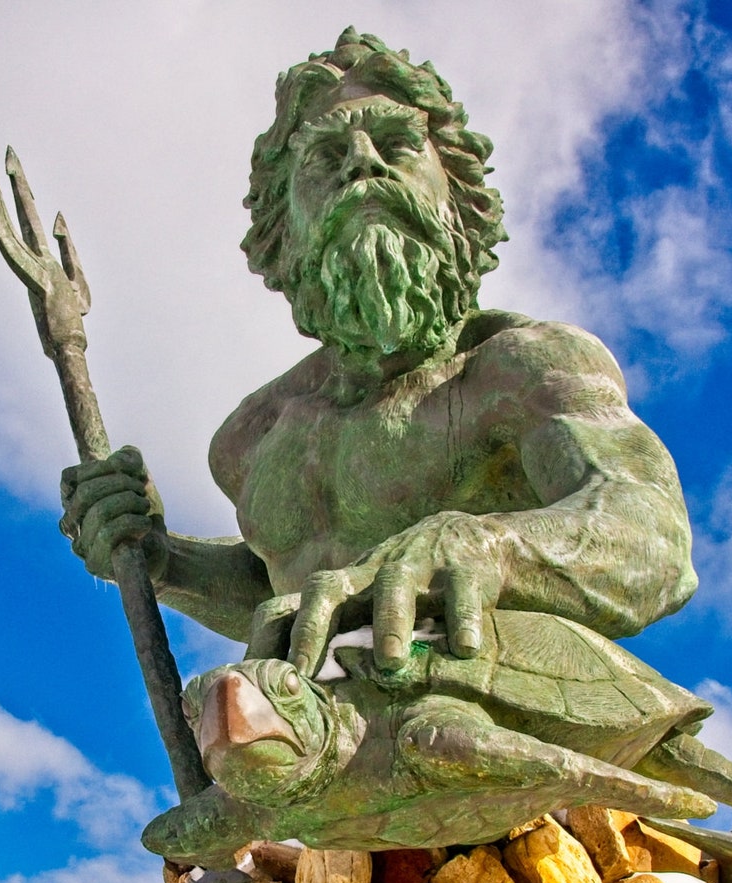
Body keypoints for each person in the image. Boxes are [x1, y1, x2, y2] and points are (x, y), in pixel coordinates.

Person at [60, 29, 698, 681]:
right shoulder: (251, 440)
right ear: (283, 226)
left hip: (496, 722)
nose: (362, 165)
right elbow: (285, 584)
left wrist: (488, 545)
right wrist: (163, 559)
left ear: (458, 197)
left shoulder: (523, 368)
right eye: (325, 156)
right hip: (310, 740)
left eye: (396, 145)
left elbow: (651, 535)